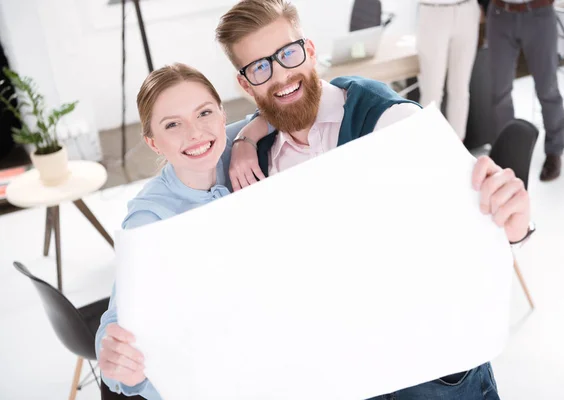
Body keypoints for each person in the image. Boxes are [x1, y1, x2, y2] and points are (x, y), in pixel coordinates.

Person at [217, 0, 534, 398]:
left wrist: (513, 226)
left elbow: (478, 224)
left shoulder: (389, 121)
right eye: (260, 67)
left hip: (429, 372)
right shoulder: (255, 163)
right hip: (339, 375)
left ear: (310, 51)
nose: (280, 76)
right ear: (246, 85)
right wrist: (246, 137)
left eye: (288, 54)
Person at [95, 63, 268, 399]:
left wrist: (247, 138)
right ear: (154, 142)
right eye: (172, 124)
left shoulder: (229, 143)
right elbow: (118, 318)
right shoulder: (148, 219)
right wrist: (117, 362)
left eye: (204, 113)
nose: (195, 133)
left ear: (221, 114)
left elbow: (280, 110)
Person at [486, 0, 564, 181]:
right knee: (499, 91)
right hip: (500, 15)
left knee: (547, 89)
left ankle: (554, 151)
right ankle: (506, 155)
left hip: (538, 13)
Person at [416, 0, 482, 141]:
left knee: (460, 89)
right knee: (431, 91)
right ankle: (428, 147)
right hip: (433, 10)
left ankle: (457, 149)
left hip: (467, 9)